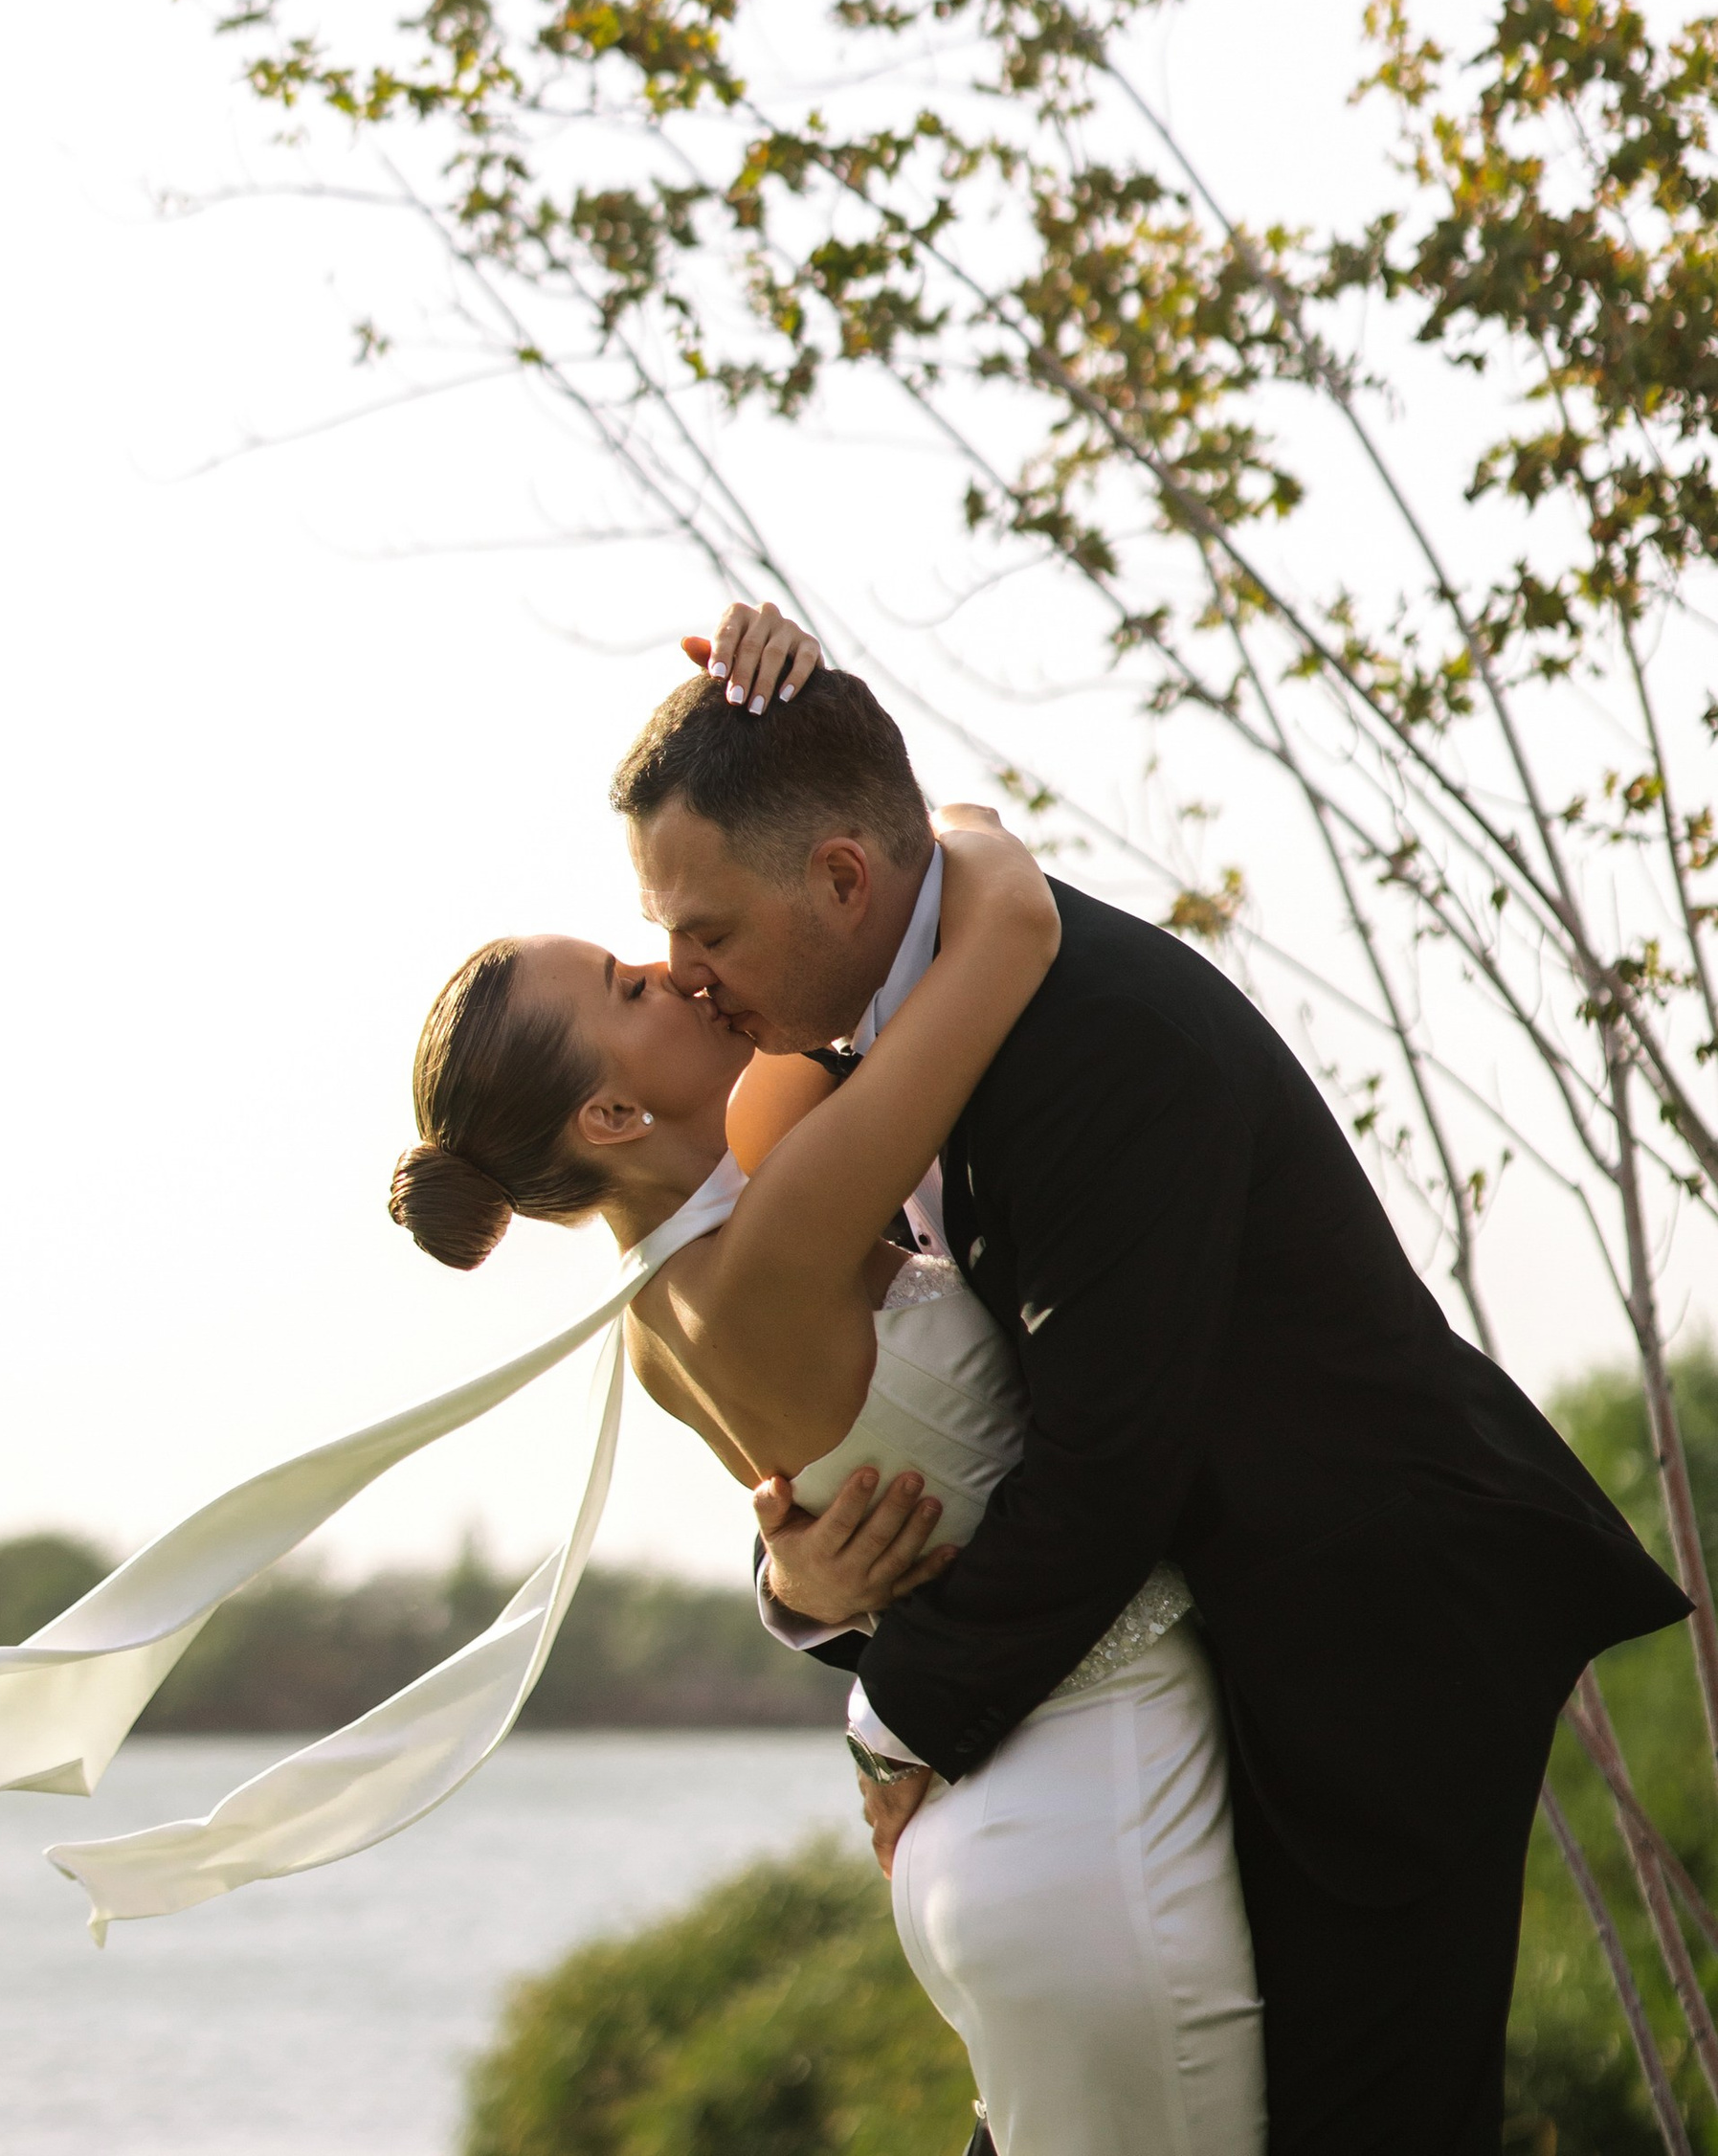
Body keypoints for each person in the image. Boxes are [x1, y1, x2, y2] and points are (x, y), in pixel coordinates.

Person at [619, 600, 1689, 2156]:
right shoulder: (882, 1031)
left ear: (844, 879)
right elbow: (943, 1404)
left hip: (1372, 1637)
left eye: (702, 932)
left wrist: (901, 1720)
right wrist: (802, 1570)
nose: (687, 975)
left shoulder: (1097, 1044)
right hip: (1203, 1636)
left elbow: (1108, 1459)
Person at [393, 809, 1268, 2152]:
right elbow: (1001, 903)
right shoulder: (787, 1226)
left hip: (968, 1826)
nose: (677, 970)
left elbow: (840, 1541)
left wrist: (791, 1583)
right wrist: (846, 822)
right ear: (614, 1113)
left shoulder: (657, 1320)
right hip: (1101, 1796)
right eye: (634, 986)